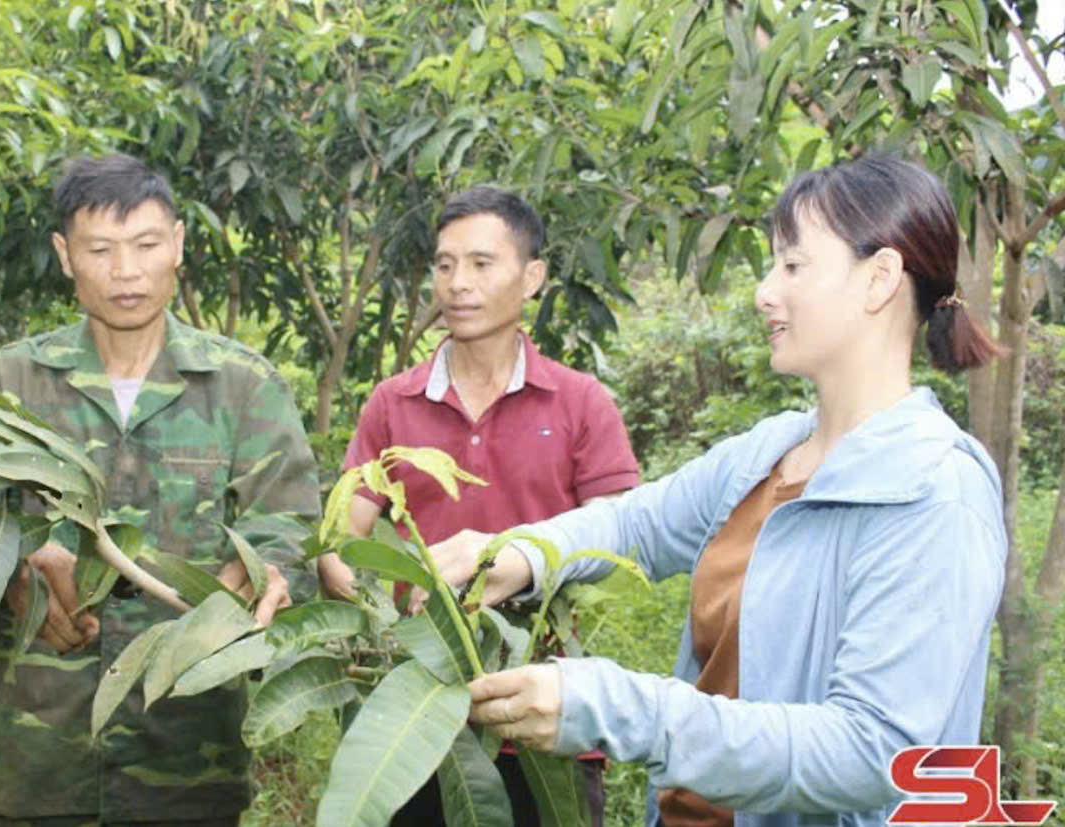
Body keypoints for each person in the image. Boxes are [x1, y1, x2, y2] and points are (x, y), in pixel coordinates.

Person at [429, 156, 1008, 827]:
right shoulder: (770, 452)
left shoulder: (936, 491)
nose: (766, 291)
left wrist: (618, 706)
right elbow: (633, 525)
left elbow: (876, 750)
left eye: (792, 266)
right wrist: (516, 553)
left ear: (879, 278)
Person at [0, 154, 320, 826]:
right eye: (100, 249)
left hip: (188, 754)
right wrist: (14, 572)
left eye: (146, 245)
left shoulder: (242, 385)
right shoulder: (8, 383)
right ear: (65, 256)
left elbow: (290, 523)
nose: (125, 271)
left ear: (178, 244)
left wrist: (249, 582)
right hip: (36, 756)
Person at [318, 187, 640, 826]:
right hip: (422, 714)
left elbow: (621, 539)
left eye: (481, 264)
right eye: (444, 265)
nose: (457, 284)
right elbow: (340, 537)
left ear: (533, 276)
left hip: (547, 706)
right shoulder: (394, 402)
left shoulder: (580, 403)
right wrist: (377, 621)